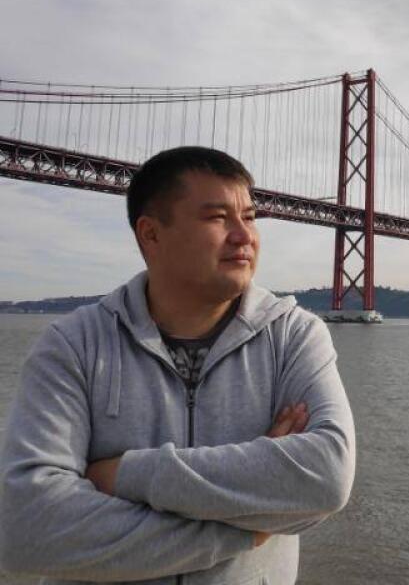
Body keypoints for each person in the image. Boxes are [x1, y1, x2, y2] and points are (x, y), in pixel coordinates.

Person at [0, 146, 355, 585]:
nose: (244, 236)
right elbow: (28, 530)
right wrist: (248, 528)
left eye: (249, 216)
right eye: (217, 217)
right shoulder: (73, 345)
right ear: (151, 235)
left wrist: (125, 473)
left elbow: (326, 478)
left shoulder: (294, 336)